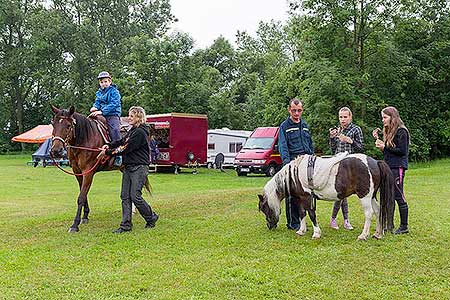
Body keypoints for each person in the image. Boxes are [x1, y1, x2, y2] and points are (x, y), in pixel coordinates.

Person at [98, 106, 159, 233]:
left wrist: (108, 152)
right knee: (125, 196)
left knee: (135, 196)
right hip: (128, 166)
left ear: (138, 117)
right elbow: (121, 141)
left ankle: (151, 217)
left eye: (131, 116)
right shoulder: (132, 130)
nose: (129, 118)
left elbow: (126, 148)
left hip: (139, 167)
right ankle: (126, 225)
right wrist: (108, 145)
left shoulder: (140, 132)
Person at [372, 106, 410, 234]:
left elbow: (402, 151)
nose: (383, 120)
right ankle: (389, 224)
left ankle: (404, 226)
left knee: (399, 195)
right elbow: (389, 150)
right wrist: (382, 145)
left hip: (397, 167)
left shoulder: (402, 131)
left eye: (385, 117)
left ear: (392, 117)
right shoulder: (389, 131)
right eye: (382, 117)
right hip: (387, 167)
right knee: (388, 196)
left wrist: (385, 147)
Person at [278, 98, 314, 230]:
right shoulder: (284, 127)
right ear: (289, 110)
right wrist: (288, 165)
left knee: (306, 193)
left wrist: (312, 158)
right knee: (292, 194)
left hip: (306, 163)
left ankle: (303, 220)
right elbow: (283, 146)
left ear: (302, 110)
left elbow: (310, 143)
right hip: (292, 163)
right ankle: (293, 223)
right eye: (294, 110)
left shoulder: (304, 125)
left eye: (299, 111)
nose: (296, 113)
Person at [328, 107, 364, 230]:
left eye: (345, 117)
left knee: (342, 193)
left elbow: (360, 148)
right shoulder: (337, 130)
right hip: (337, 164)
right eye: (341, 117)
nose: (343, 119)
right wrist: (332, 138)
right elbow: (333, 149)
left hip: (351, 166)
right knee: (341, 193)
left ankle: (336, 219)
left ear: (350, 117)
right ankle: (343, 220)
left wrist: (350, 141)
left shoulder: (355, 129)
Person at [90, 71, 122, 166]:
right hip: (102, 114)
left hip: (112, 114)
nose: (104, 84)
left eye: (105, 81)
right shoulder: (99, 93)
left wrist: (101, 111)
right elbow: (98, 102)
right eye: (102, 82)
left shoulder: (114, 91)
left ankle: (118, 155)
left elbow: (114, 104)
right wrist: (94, 107)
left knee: (115, 129)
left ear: (110, 81)